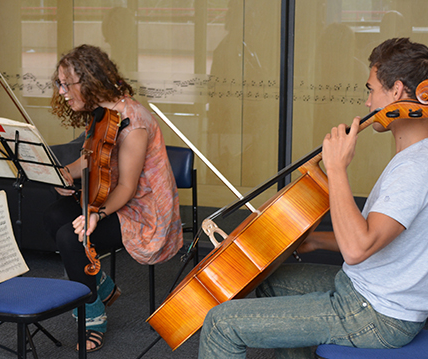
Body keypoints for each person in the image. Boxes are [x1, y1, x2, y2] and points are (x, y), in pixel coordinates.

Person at [198, 37, 428, 358]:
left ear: (398, 92)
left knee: (222, 323)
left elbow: (358, 248)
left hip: (377, 314)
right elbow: (382, 240)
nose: (367, 102)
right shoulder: (413, 159)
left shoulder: (414, 170)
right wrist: (317, 241)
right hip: (363, 289)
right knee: (269, 280)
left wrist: (336, 170)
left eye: (371, 89)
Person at [43, 44, 183, 352]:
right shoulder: (102, 114)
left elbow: (128, 187)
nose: (63, 92)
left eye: (67, 84)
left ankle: (93, 314)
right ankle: (102, 285)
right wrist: (62, 174)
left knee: (72, 235)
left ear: (89, 81)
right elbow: (90, 158)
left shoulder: (134, 122)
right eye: (60, 84)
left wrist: (97, 214)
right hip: (113, 196)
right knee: (55, 214)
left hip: (146, 211)